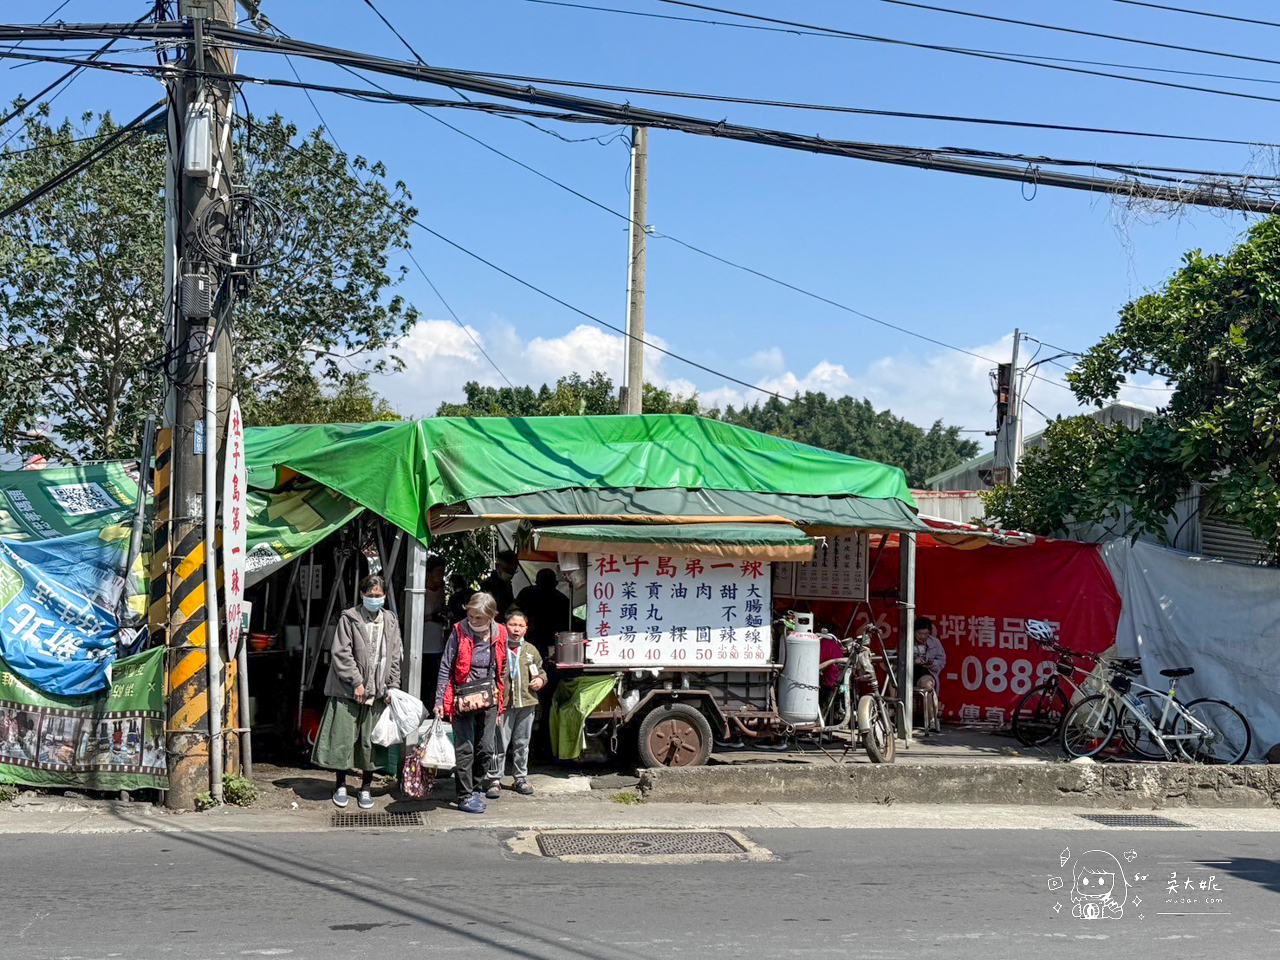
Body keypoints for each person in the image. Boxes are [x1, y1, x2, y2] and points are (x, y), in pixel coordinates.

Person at [312, 574, 403, 810]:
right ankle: (341, 784)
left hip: (378, 691)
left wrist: (393, 685)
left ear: (384, 595)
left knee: (370, 743)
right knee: (343, 738)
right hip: (347, 691)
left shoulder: (390, 620)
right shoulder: (349, 618)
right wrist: (356, 682)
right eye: (370, 595)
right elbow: (341, 653)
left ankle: (365, 788)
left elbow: (394, 656)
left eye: (379, 595)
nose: (375, 599)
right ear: (362, 595)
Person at [435, 591, 508, 814]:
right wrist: (439, 700)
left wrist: (501, 700)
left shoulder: (500, 632)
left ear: (491, 616)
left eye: (479, 618)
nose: (473, 621)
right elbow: (446, 666)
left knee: (485, 748)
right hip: (462, 697)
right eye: (471, 615)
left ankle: (476, 787)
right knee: (464, 748)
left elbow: (503, 668)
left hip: (489, 696)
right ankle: (464, 795)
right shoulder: (458, 631)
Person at [485, 607, 545, 798]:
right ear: (504, 626)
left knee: (522, 743)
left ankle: (520, 777)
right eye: (512, 624)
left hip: (526, 703)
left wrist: (541, 681)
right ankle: (494, 779)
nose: (516, 629)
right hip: (503, 704)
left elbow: (541, 671)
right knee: (499, 743)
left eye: (521, 625)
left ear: (526, 629)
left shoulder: (530, 651)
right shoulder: (497, 646)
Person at [514, 568, 572, 654]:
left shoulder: (526, 592)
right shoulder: (562, 599)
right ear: (556, 583)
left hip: (537, 639)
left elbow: (512, 612)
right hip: (542, 639)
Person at [421, 558, 449, 705]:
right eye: (437, 573)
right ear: (428, 574)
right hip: (422, 644)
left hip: (437, 642)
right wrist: (432, 616)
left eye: (442, 573)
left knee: (435, 679)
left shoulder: (440, 592)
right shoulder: (420, 592)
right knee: (424, 680)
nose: (440, 577)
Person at [913, 616, 946, 734]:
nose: (923, 637)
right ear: (914, 631)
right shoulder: (906, 640)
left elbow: (942, 660)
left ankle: (932, 719)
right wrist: (913, 660)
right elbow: (897, 657)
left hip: (925, 672)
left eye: (926, 634)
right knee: (893, 684)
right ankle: (897, 717)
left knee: (928, 686)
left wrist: (933, 664)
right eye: (920, 633)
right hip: (906, 672)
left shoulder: (934, 642)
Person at [479, 550, 518, 621]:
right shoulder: (488, 585)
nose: (510, 574)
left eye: (513, 571)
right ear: (497, 567)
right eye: (507, 570)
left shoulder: (507, 585)